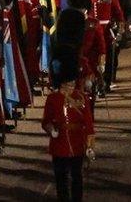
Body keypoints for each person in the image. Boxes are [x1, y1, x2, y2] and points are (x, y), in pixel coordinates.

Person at [42, 57, 95, 202]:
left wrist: (90, 145)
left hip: (77, 142)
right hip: (59, 143)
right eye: (67, 84)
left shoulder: (81, 97)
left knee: (77, 177)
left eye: (72, 83)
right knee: (61, 178)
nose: (70, 87)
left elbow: (88, 123)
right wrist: (51, 129)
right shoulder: (52, 98)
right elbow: (46, 121)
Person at [88, 0, 125, 94]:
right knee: (92, 58)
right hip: (90, 32)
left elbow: (118, 11)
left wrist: (120, 30)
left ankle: (106, 83)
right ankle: (94, 83)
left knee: (108, 57)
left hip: (106, 31)